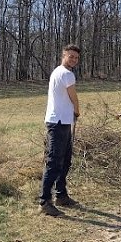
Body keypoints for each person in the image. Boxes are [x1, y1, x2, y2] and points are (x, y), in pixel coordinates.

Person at [39, 44, 81, 217]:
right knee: (54, 162)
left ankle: (61, 195)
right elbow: (74, 97)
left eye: (76, 58)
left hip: (63, 122)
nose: (73, 59)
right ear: (63, 55)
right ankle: (44, 201)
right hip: (58, 123)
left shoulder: (59, 72)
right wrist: (77, 110)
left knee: (65, 161)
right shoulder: (66, 74)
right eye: (71, 56)